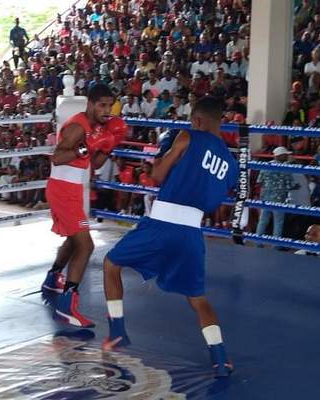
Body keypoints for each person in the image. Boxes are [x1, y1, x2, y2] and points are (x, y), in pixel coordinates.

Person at [101, 96, 238, 378]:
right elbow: (214, 200)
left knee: (110, 264)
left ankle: (116, 332)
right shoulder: (230, 162)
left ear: (197, 120)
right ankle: (220, 358)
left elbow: (158, 177)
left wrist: (157, 163)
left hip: (161, 224)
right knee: (198, 299)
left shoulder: (187, 136)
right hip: (192, 232)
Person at [42, 84, 127, 328]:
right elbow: (57, 157)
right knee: (86, 245)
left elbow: (95, 163)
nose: (106, 110)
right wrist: (88, 144)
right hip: (62, 188)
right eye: (102, 105)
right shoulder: (79, 126)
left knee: (73, 240)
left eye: (109, 105)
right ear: (89, 104)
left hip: (72, 188)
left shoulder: (98, 128)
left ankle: (53, 277)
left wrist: (110, 144)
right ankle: (68, 304)